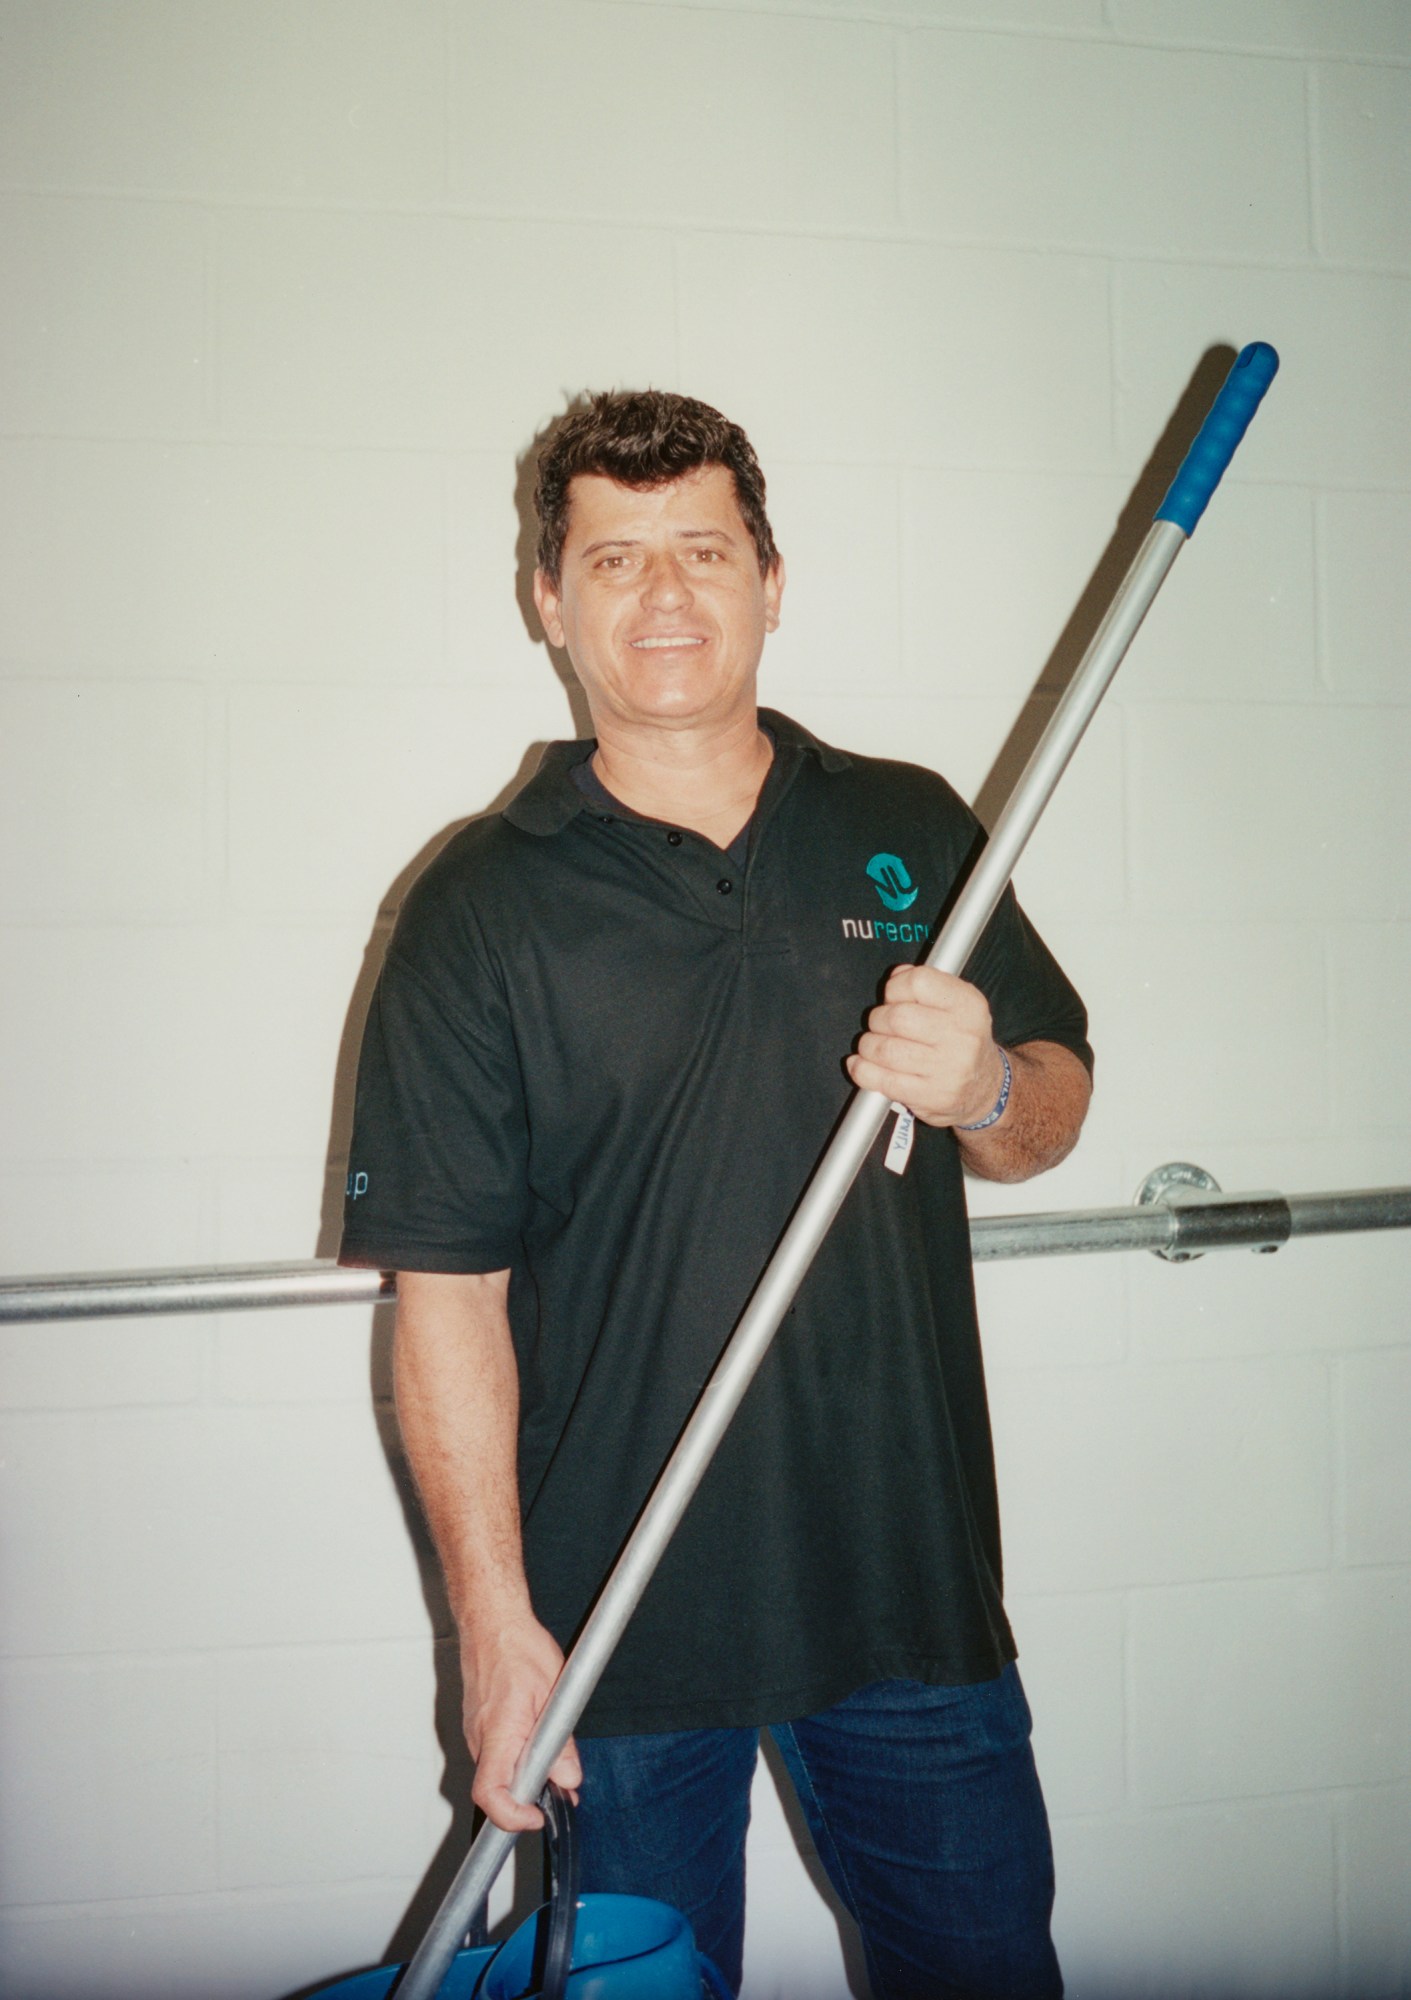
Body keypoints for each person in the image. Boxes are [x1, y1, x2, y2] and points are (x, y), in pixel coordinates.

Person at [340, 391, 1093, 1999]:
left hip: (910, 1592)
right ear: (549, 598)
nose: (664, 594)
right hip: (614, 1626)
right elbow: (446, 1298)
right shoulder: (478, 907)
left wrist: (986, 1092)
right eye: (614, 559)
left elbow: (1051, 1112)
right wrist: (489, 1626)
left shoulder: (911, 825)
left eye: (703, 549)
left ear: (770, 576)